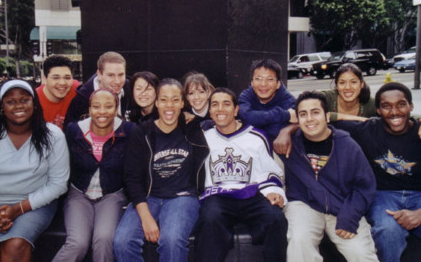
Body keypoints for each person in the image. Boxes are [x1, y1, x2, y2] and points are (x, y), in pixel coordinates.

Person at [113, 78, 209, 262]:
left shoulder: (193, 129)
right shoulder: (142, 132)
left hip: (183, 197)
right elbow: (132, 178)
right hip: (149, 197)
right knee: (123, 242)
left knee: (172, 240)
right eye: (164, 99)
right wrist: (146, 217)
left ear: (182, 103)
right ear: (156, 102)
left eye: (175, 100)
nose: (169, 105)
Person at [280, 91, 378, 262]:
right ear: (297, 119)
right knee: (300, 240)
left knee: (360, 253)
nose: (309, 119)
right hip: (304, 204)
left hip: (342, 206)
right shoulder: (290, 145)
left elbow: (364, 186)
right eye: (303, 114)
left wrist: (350, 216)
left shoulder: (347, 145)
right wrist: (285, 132)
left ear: (326, 116)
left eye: (315, 112)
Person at [194, 87, 288, 262]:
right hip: (218, 196)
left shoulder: (256, 136)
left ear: (236, 109)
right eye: (215, 104)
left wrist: (274, 192)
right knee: (210, 219)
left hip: (253, 194)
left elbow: (270, 171)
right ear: (210, 110)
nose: (220, 109)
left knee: (275, 218)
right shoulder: (203, 138)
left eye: (226, 104)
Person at [332, 82, 421, 262]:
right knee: (387, 230)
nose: (394, 112)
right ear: (378, 110)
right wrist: (287, 130)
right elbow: (318, 123)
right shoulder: (367, 130)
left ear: (411, 106)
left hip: (419, 195)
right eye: (386, 106)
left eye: (401, 104)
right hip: (383, 196)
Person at [0, 79, 69, 262]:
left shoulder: (53, 135)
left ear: (34, 103)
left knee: (15, 244)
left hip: (33, 205)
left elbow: (58, 184)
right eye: (10, 101)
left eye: (24, 100)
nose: (18, 106)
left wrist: (17, 209)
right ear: (2, 106)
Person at [52, 88, 134, 262]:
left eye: (108, 106)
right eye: (96, 106)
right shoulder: (74, 131)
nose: (102, 111)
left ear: (116, 109)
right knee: (77, 243)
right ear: (89, 109)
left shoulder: (129, 131)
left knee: (104, 239)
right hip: (79, 194)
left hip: (111, 195)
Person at [64, 51, 132, 128]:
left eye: (121, 75)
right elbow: (70, 131)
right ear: (99, 74)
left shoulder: (131, 89)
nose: (117, 81)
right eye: (110, 75)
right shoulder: (81, 100)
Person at [238, 59, 296, 142]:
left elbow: (275, 132)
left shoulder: (288, 99)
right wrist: (284, 115)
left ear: (278, 84)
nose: (263, 84)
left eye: (270, 79)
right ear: (252, 83)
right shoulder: (246, 95)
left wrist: (258, 120)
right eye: (258, 79)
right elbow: (247, 117)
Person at [36, 55, 80, 130]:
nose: (62, 83)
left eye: (67, 78)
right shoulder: (34, 100)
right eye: (56, 78)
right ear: (44, 79)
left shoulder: (77, 90)